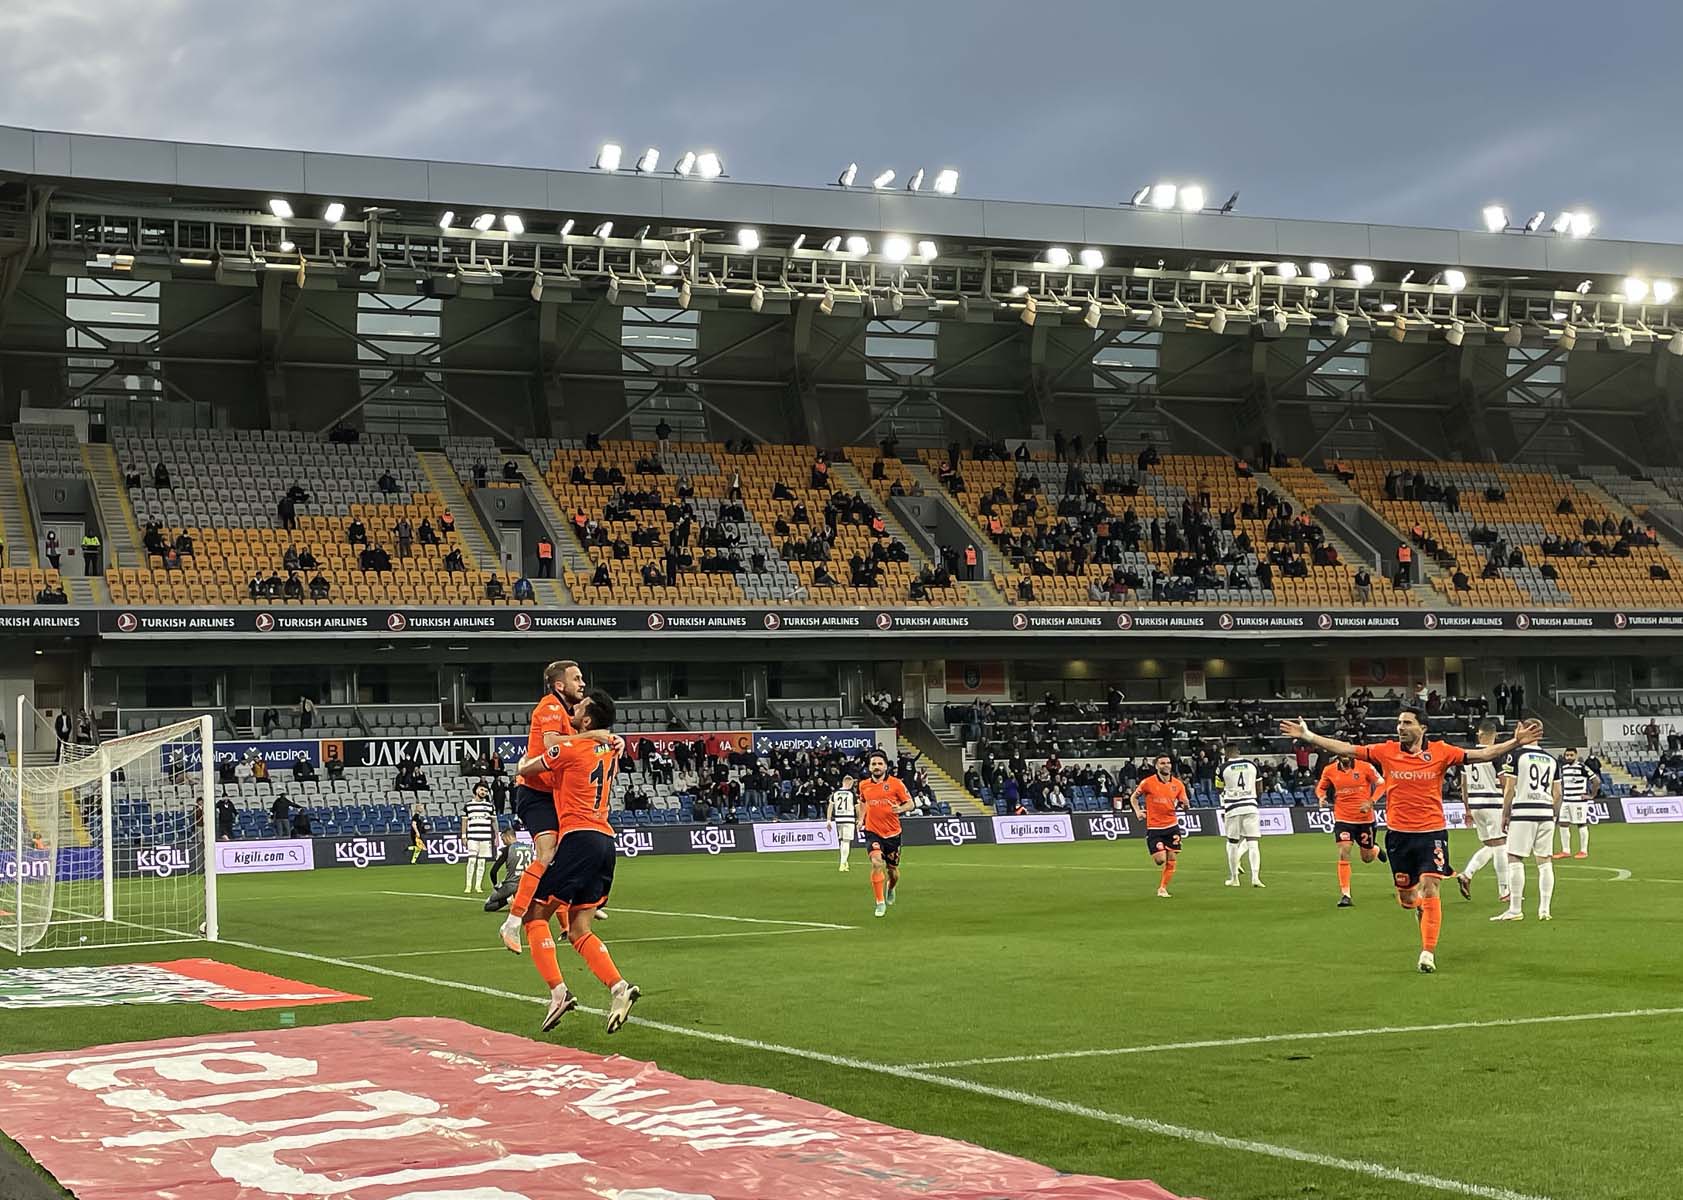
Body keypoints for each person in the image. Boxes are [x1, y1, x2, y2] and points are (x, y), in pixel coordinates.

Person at [1282, 708, 1542, 972]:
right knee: (1407, 899)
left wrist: (1515, 742)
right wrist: (1309, 736)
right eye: (1399, 723)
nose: (1400, 727)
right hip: (1399, 836)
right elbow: (1347, 748)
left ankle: (1428, 953)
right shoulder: (1386, 751)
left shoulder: (1441, 752)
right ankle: (1417, 906)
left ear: (1423, 728)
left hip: (1432, 834)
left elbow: (1483, 754)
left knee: (1430, 886)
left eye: (1407, 723)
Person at [513, 690, 640, 1034]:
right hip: (606, 841)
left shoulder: (569, 748)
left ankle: (558, 992)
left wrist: (527, 760)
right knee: (579, 928)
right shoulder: (611, 749)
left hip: (578, 838)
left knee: (534, 916)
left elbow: (526, 768)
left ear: (586, 720)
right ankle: (619, 987)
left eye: (580, 707)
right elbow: (608, 744)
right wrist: (605, 737)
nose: (574, 705)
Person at [496, 660, 604, 953]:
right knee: (547, 854)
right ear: (559, 685)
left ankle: (575, 902)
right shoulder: (550, 707)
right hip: (536, 792)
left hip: (555, 793)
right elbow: (552, 743)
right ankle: (512, 922)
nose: (582, 683)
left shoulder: (570, 711)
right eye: (576, 678)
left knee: (573, 850)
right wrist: (593, 736)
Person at [1492, 743, 1563, 923]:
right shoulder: (1552, 759)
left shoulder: (1516, 755)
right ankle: (1544, 910)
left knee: (1514, 858)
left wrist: (1505, 813)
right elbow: (1558, 793)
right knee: (1545, 861)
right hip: (1546, 813)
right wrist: (1553, 814)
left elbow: (1509, 788)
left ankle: (1515, 910)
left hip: (1523, 812)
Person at [1317, 750, 1387, 906]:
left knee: (1367, 857)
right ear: (1337, 755)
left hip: (1365, 819)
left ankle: (1375, 849)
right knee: (1344, 851)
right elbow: (1321, 788)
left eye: (1347, 754)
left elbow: (1382, 784)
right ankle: (1345, 894)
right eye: (1342, 754)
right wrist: (1321, 797)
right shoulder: (1329, 770)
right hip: (1343, 818)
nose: (1345, 757)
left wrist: (1371, 801)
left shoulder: (1366, 767)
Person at [1454, 720, 1511, 903]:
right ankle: (1504, 890)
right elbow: (1505, 783)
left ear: (1479, 734)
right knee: (1501, 845)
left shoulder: (1468, 755)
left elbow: (1463, 785)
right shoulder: (1494, 755)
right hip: (1493, 804)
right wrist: (1509, 805)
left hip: (1475, 804)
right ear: (1495, 735)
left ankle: (1467, 874)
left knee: (1490, 845)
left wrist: (1467, 808)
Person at [858, 749, 914, 918]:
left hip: (892, 834)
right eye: (873, 764)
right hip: (872, 831)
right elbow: (863, 802)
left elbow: (910, 804)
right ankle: (880, 902)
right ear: (869, 767)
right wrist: (861, 819)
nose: (876, 766)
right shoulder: (863, 785)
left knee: (892, 871)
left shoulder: (896, 784)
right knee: (876, 863)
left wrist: (900, 809)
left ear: (885, 766)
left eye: (880, 764)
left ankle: (891, 887)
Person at [1130, 754, 1190, 897]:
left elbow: (1184, 804)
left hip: (1172, 826)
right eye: (1162, 763)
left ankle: (1162, 888)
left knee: (1172, 859)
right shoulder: (1148, 782)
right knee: (1160, 860)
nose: (1166, 765)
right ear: (1156, 766)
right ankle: (1162, 883)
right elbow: (1134, 797)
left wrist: (1186, 805)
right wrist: (1138, 811)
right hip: (1155, 828)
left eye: (1168, 763)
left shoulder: (1178, 784)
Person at [1216, 743, 1264, 889]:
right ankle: (1255, 878)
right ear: (1238, 751)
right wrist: (1254, 799)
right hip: (1250, 806)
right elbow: (1260, 787)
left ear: (1226, 753)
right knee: (1253, 843)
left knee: (1232, 843)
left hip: (1233, 808)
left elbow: (1219, 789)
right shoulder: (1252, 765)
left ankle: (1234, 878)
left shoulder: (1222, 768)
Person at [1555, 747, 1600, 860]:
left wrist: (1592, 795)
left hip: (1579, 802)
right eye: (1567, 755)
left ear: (1576, 755)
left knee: (1581, 824)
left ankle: (1583, 851)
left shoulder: (1582, 767)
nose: (1569, 757)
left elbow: (1596, 781)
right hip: (1566, 801)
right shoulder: (1563, 768)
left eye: (1571, 755)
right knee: (1563, 824)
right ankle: (1566, 850)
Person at [484, 824, 536, 911]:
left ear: (508, 837)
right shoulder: (529, 848)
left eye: (503, 840)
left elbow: (493, 871)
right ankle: (520, 898)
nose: (504, 843)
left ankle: (509, 899)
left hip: (511, 885)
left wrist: (496, 885)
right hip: (526, 884)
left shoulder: (507, 849)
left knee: (488, 905)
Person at [825, 773, 857, 873]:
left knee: (842, 841)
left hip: (838, 819)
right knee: (846, 841)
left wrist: (828, 820)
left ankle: (844, 861)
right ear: (849, 783)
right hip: (849, 819)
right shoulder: (851, 794)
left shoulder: (835, 793)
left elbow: (830, 806)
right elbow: (857, 807)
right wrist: (860, 819)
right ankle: (843, 863)